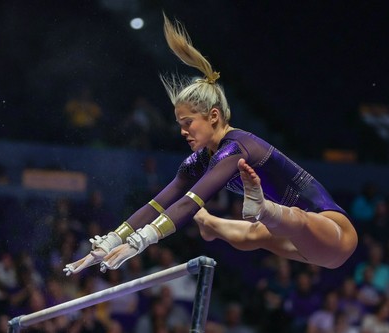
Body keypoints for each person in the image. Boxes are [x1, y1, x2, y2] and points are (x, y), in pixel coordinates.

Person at [64, 14, 357, 276]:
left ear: (213, 116)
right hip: (298, 243)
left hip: (332, 233)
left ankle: (264, 209)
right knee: (256, 235)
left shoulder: (236, 148)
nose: (182, 132)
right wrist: (111, 242)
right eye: (179, 125)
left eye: (188, 123)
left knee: (287, 220)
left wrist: (138, 245)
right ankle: (216, 224)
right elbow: (158, 204)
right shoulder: (201, 160)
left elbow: (191, 202)